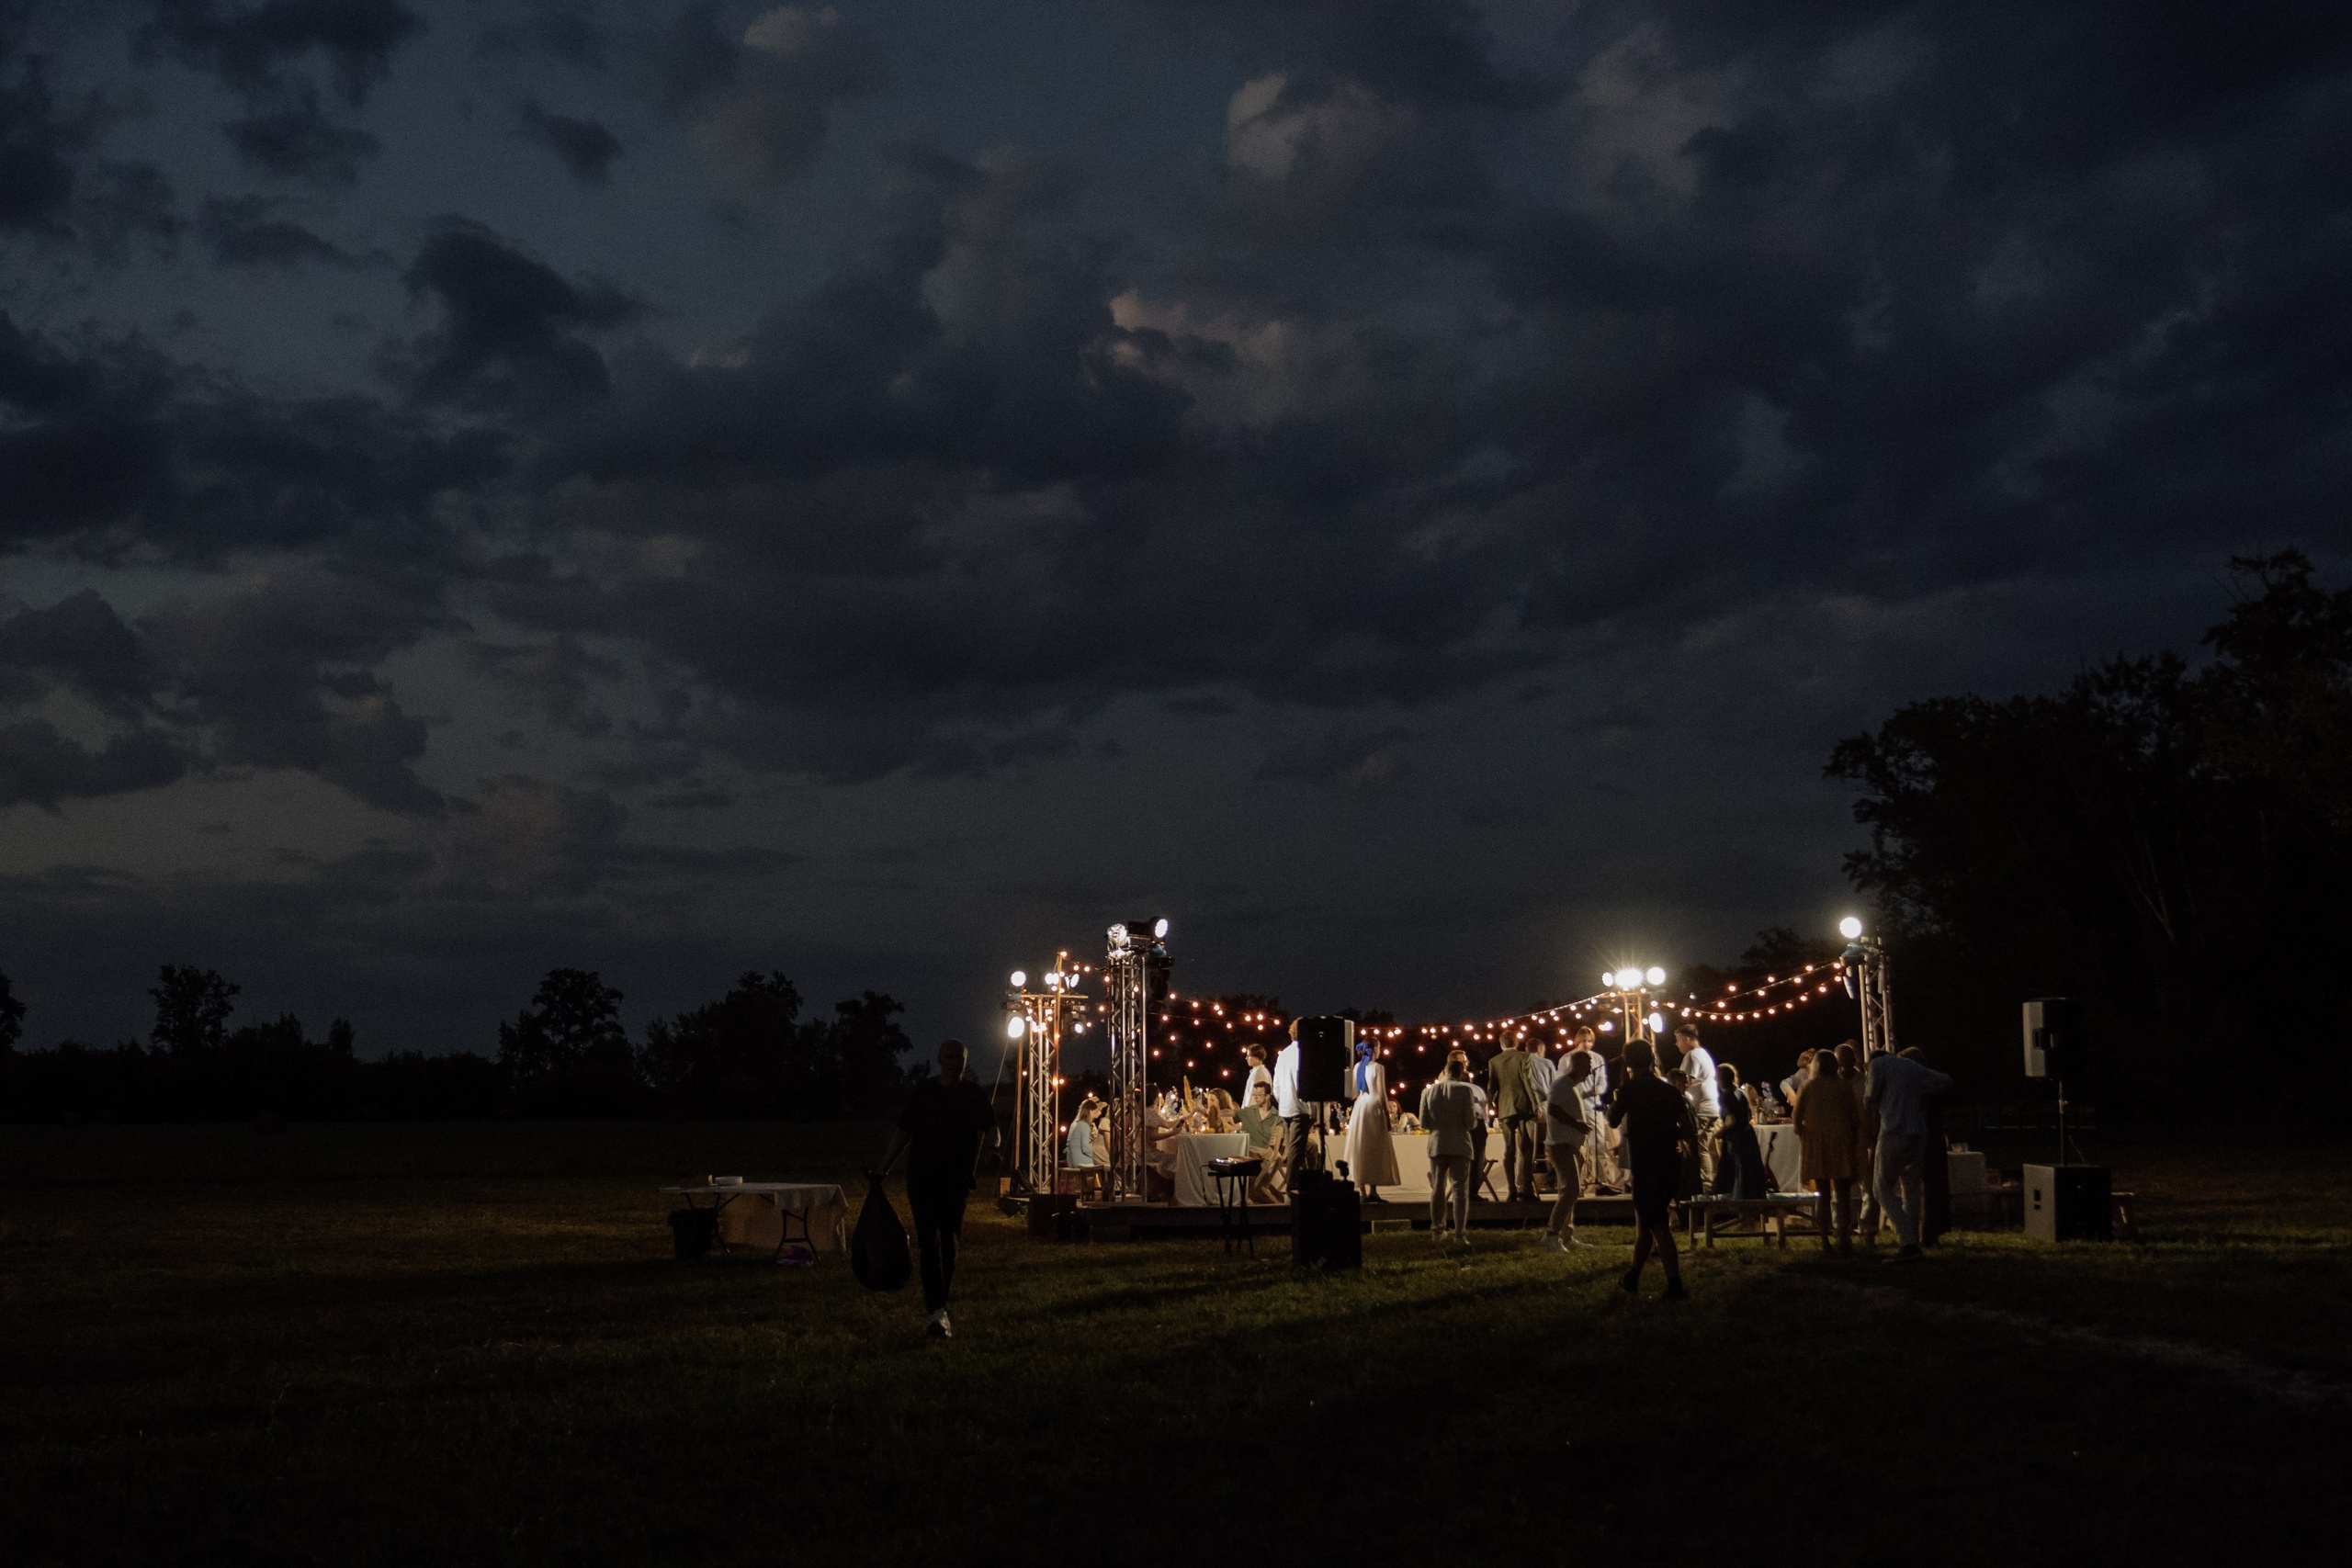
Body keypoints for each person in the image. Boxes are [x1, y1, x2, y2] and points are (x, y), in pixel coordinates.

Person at [873, 1039, 998, 1339]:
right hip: (922, 1179)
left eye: (961, 1058)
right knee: (928, 1242)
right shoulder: (924, 1092)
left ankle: (940, 1303)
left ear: (966, 1062)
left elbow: (992, 1127)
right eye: (950, 1057)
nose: (955, 1062)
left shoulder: (973, 1094)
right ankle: (937, 1310)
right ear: (941, 1059)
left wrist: (995, 1148)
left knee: (950, 1242)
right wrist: (884, 1167)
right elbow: (903, 1132)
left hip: (956, 1180)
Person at [1607, 1038, 1696, 1300]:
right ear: (1652, 1059)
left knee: (1657, 1225)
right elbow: (1689, 1128)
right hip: (1669, 1162)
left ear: (1627, 1062)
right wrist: (1672, 1133)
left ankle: (1675, 1284)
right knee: (1648, 1223)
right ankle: (1633, 1277)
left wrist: (1623, 1088)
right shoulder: (1668, 1090)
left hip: (1645, 1165)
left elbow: (1612, 1120)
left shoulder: (1629, 1091)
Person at [1866, 1045, 1953, 1265]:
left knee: (1881, 1188)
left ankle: (1907, 1240)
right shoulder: (1910, 1065)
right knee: (1911, 1188)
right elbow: (1946, 1080)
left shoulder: (1877, 1065)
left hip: (1894, 1131)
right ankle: (1911, 1243)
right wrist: (1918, 1091)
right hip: (1919, 1132)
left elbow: (1869, 1098)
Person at [1792, 1049, 1859, 1252]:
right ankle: (1844, 1237)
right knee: (1843, 1195)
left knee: (1822, 1195)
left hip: (1817, 1144)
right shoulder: (1844, 1087)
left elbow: (1796, 1119)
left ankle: (1824, 1240)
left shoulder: (1807, 1087)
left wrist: (1805, 1132)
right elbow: (1855, 1118)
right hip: (1841, 1143)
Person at [1419, 1051, 1481, 1244]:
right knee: (1460, 1189)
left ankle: (1437, 1230)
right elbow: (1470, 1123)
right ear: (1461, 1073)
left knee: (1437, 1187)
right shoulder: (1465, 1091)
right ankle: (1460, 1234)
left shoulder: (1428, 1092)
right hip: (1460, 1144)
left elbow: (1423, 1123)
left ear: (1444, 1072)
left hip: (1437, 1143)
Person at [1541, 1048, 1595, 1250]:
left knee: (1572, 1191)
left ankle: (1566, 1235)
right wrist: (1577, 1124)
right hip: (1560, 1145)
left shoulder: (1571, 1086)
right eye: (1588, 1065)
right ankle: (1552, 1234)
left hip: (1570, 1146)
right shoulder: (1562, 1084)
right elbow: (1553, 1109)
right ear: (1579, 1064)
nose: (1591, 1070)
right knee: (1570, 1190)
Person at [1487, 1033, 1541, 1201]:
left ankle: (1511, 1190)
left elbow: (1492, 1086)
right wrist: (1536, 1104)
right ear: (1517, 1043)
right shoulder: (1525, 1057)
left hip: (1505, 1108)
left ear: (1501, 1044)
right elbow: (1528, 1081)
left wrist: (1490, 1104)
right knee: (1526, 1149)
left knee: (1509, 1150)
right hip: (1524, 1106)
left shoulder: (1494, 1061)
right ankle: (1526, 1189)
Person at [1345, 1043, 1400, 1201]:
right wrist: (1386, 1115)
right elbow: (1382, 1093)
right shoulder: (1377, 1067)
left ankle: (1362, 1190)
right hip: (1373, 1106)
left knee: (1360, 1144)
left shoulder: (1357, 1066)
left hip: (1360, 1105)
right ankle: (1373, 1190)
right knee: (1375, 1147)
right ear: (1375, 1049)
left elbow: (1354, 1091)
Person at [1839, 1042, 1882, 1245]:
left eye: (1847, 1064)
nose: (1844, 1069)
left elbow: (1873, 1110)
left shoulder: (1865, 1082)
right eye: (1840, 1064)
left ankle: (1867, 1231)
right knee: (1840, 1191)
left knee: (1869, 1190)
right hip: (1841, 1144)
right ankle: (1842, 1231)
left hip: (1863, 1142)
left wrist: (1873, 1138)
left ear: (1853, 1061)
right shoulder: (1833, 1084)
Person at [1672, 1023, 1721, 1190]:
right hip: (1712, 1106)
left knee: (1701, 1149)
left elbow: (1685, 1081)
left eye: (1678, 1040)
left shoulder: (1692, 1056)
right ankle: (1712, 1182)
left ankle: (1705, 1185)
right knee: (1709, 1148)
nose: (1676, 1044)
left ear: (1687, 1039)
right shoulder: (1704, 1054)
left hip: (1701, 1109)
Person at [1713, 1063, 1768, 1200]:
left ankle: (1736, 1207)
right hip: (1748, 1136)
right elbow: (1748, 1116)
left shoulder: (1725, 1096)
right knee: (1749, 1173)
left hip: (1735, 1139)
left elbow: (1731, 1120)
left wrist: (1720, 1132)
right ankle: (1752, 1209)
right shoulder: (1741, 1093)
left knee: (1737, 1174)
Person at [1274, 1026, 1316, 1189]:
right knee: (1295, 1149)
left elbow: (1276, 1084)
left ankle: (1296, 1183)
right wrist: (1311, 1108)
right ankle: (1292, 1185)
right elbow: (1305, 1083)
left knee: (1294, 1147)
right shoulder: (1304, 1054)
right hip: (1299, 1107)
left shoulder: (1283, 1054)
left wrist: (1282, 1101)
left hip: (1285, 1107)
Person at [1242, 1045, 1274, 1110]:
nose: (1246, 1058)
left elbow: (1254, 1096)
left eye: (1248, 1056)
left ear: (1256, 1057)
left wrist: (1245, 1114)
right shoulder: (1261, 1071)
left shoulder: (1259, 1072)